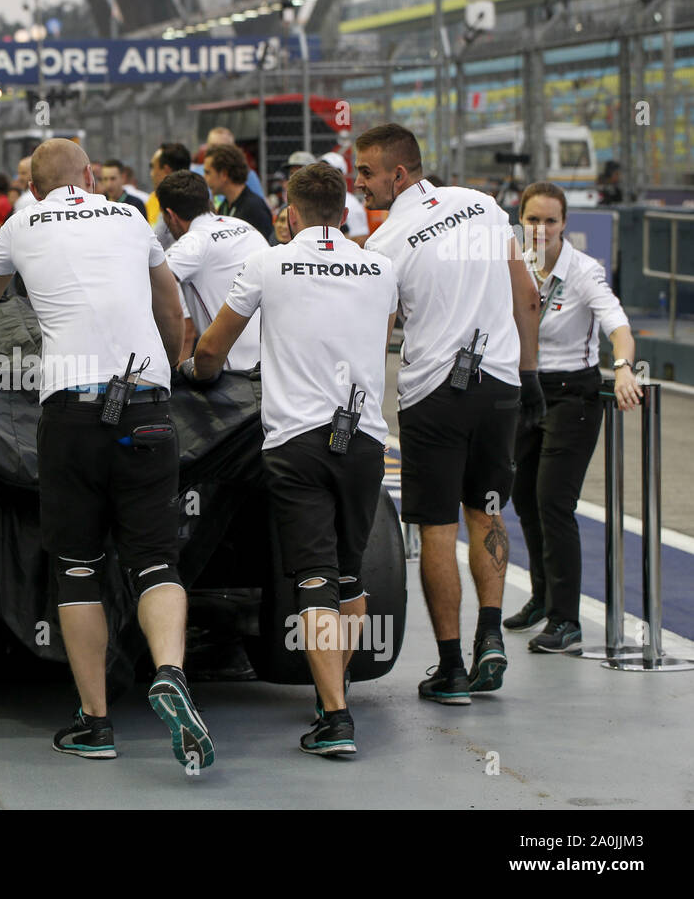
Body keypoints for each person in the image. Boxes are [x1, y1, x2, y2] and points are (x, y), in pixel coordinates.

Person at [0, 138, 212, 770]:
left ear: (34, 187)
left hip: (71, 414)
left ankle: (96, 721)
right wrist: (166, 370)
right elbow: (170, 306)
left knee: (79, 566)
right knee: (154, 561)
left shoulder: (19, 223)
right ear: (91, 177)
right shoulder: (128, 217)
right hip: (144, 407)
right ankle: (169, 672)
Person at [183, 161, 398, 755]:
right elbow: (377, 338)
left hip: (295, 441)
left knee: (312, 576)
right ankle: (340, 686)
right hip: (363, 439)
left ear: (289, 210)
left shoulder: (267, 262)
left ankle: (334, 718)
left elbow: (213, 346)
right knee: (350, 575)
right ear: (345, 211)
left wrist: (195, 372)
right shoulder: (381, 268)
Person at [355, 123, 543, 705]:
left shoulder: (383, 246)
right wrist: (531, 379)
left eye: (366, 172)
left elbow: (372, 335)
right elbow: (528, 297)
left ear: (400, 175)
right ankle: (492, 634)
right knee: (486, 512)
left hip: (435, 397)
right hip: (500, 387)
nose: (358, 184)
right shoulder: (484, 207)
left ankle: (452, 667)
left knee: (437, 528)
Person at [506, 181, 643, 652]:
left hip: (573, 396)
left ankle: (568, 620)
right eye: (532, 220)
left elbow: (618, 327)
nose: (540, 229)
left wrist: (623, 368)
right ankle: (542, 597)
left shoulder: (584, 271)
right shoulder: (512, 265)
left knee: (553, 502)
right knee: (522, 497)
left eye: (549, 220)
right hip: (527, 391)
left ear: (564, 224)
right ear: (519, 220)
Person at [156, 170, 267, 370]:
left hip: (233, 377)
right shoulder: (247, 227)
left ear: (170, 215)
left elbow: (148, 284)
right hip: (271, 367)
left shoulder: (193, 243)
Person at [203, 144, 275, 242]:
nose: (205, 178)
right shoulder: (225, 206)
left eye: (208, 173)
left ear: (224, 174)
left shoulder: (255, 208)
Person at [193, 126, 265, 199]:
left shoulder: (247, 175)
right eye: (213, 147)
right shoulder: (195, 174)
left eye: (223, 148)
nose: (216, 152)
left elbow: (259, 202)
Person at [147, 142, 192, 247]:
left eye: (153, 167)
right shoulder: (153, 199)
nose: (151, 174)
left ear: (166, 170)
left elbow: (154, 244)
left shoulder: (173, 203)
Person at [320, 152, 370, 244]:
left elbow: (360, 239)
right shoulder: (314, 198)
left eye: (328, 170)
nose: (322, 174)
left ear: (340, 174)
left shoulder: (351, 203)